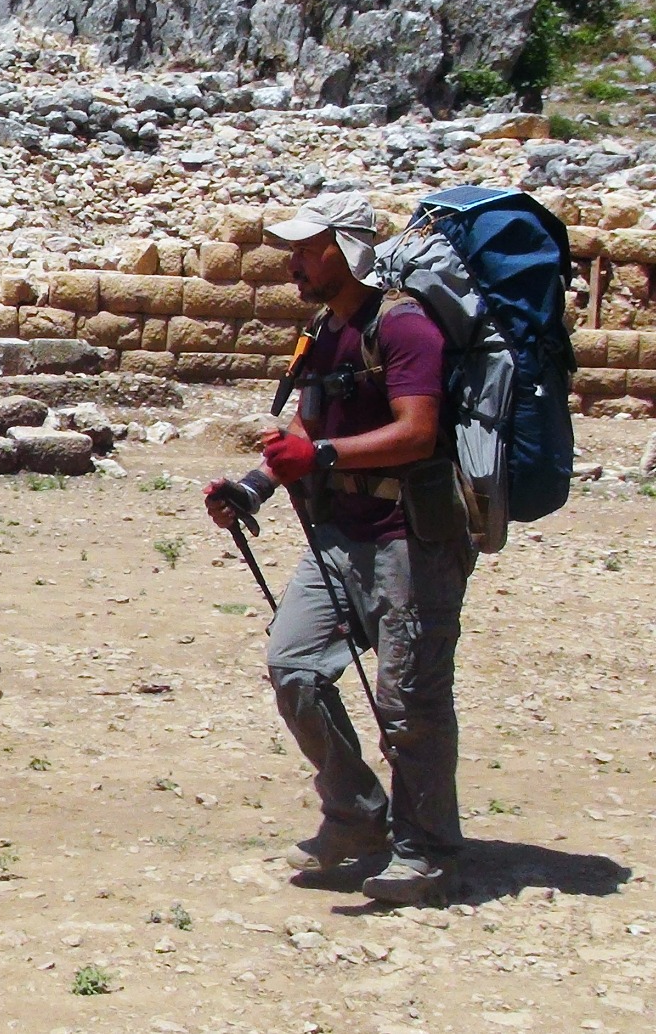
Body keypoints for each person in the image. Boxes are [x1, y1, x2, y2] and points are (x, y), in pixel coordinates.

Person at [205, 191, 475, 906]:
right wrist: (253, 488)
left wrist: (316, 455)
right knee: (292, 665)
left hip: (409, 540)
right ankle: (356, 818)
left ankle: (428, 852)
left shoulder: (407, 329)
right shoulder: (324, 331)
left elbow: (417, 433)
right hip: (340, 536)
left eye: (306, 248)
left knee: (409, 704)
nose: (294, 261)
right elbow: (303, 427)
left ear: (346, 251)